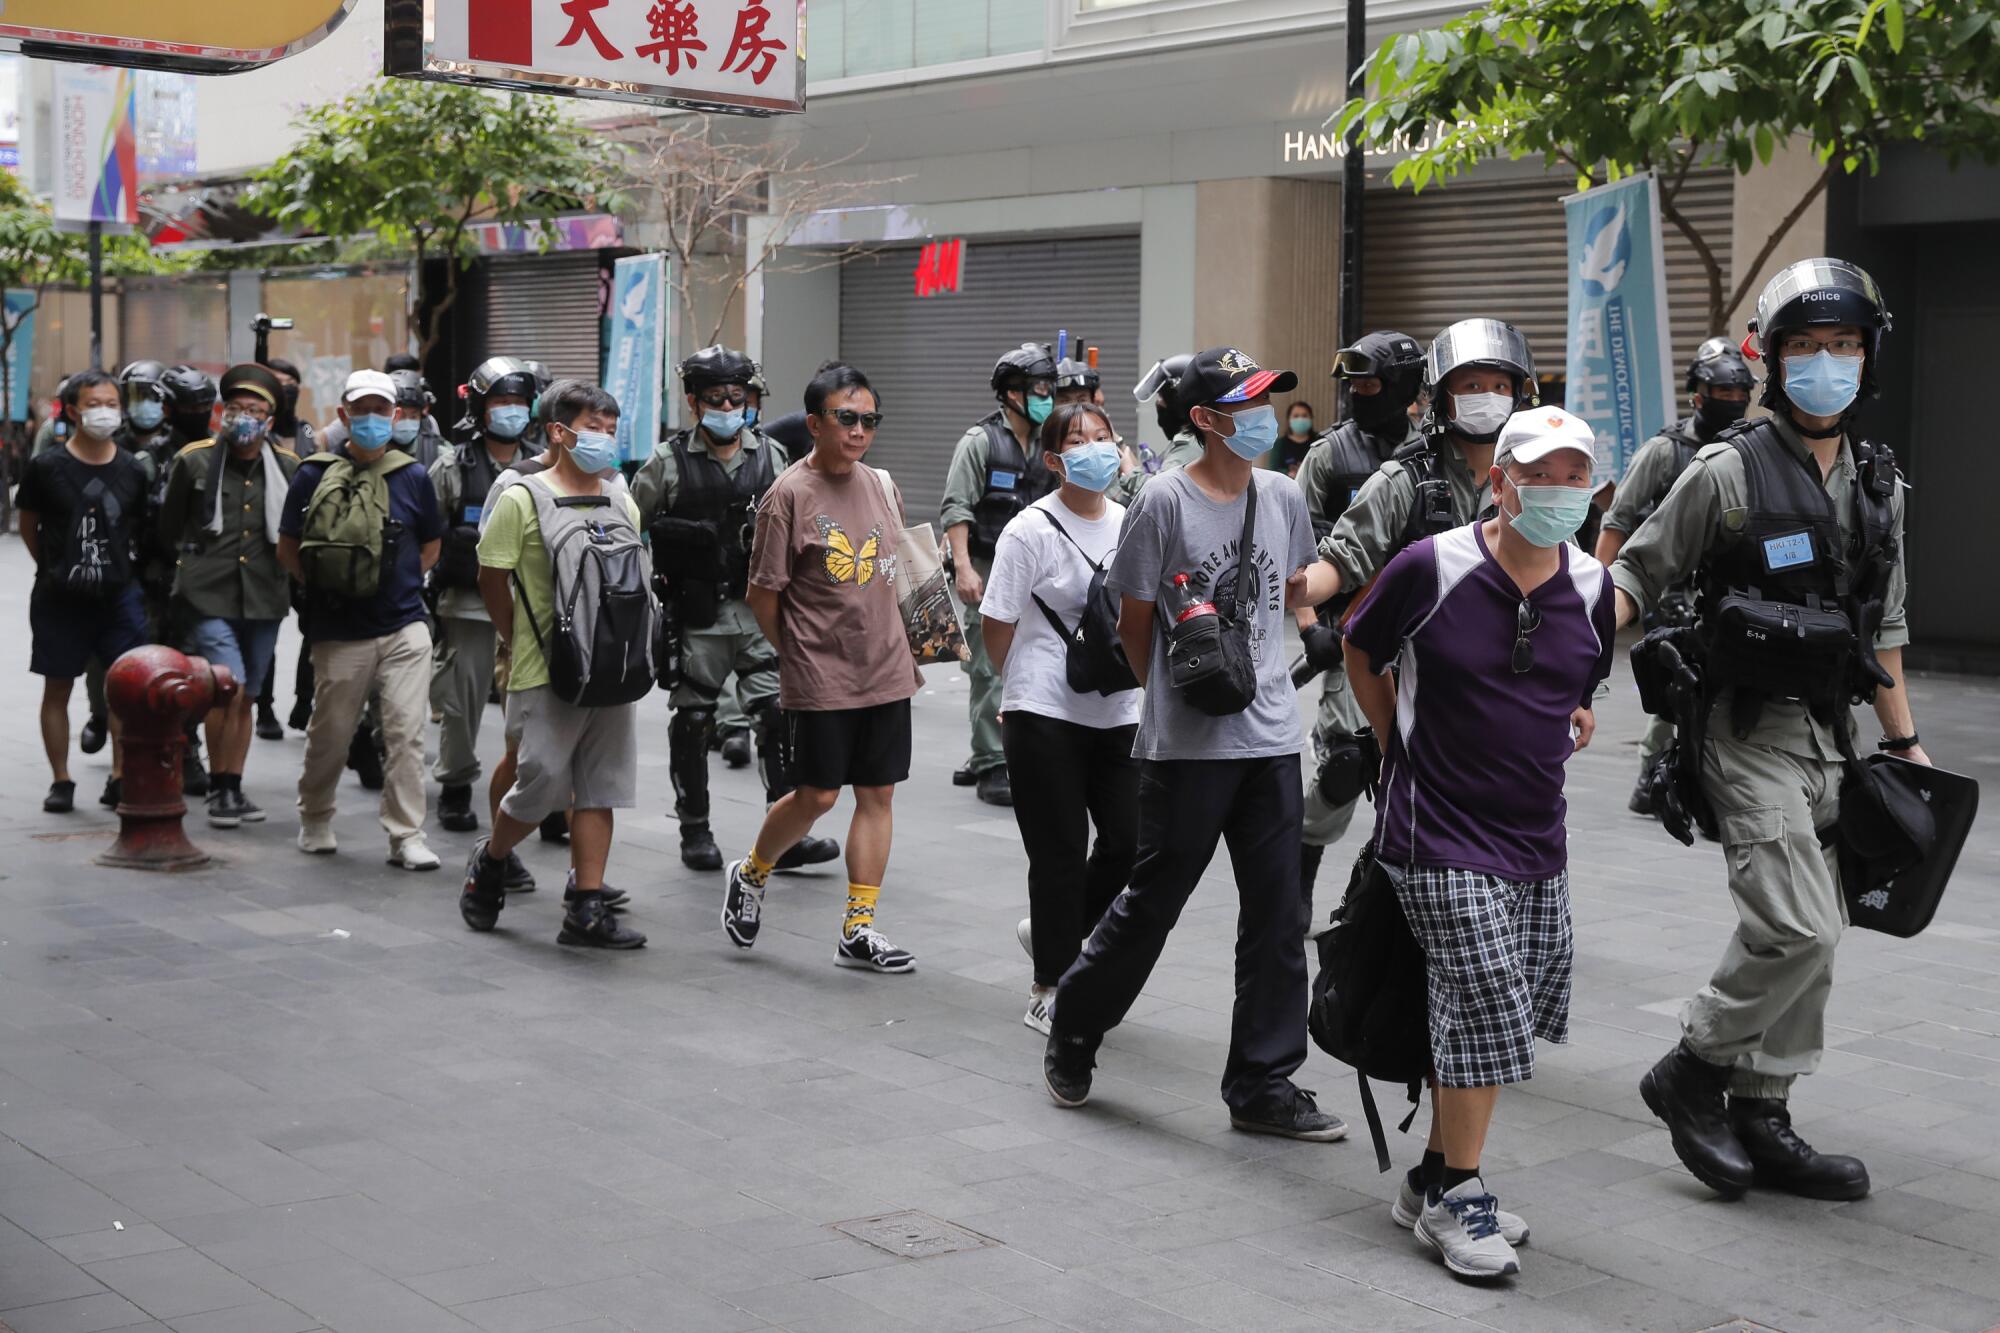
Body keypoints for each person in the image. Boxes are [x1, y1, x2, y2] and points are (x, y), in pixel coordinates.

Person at [1617, 259, 1921, 1204]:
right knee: (1794, 923)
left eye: (1841, 346)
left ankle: (1764, 1107)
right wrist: (1550, 670)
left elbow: (1889, 631)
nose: (1823, 362)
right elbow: (1635, 575)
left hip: (1833, 733)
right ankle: (1694, 1066)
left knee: (1824, 936)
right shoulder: (1726, 472)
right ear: (1771, 359)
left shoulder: (1879, 485)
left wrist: (1906, 747)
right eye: (1803, 347)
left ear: (1867, 359)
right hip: (1740, 731)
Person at [1042, 347, 1345, 1143]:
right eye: (1245, 406)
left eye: (1268, 403)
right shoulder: (1164, 502)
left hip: (1272, 736)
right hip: (1186, 748)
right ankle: (1074, 1023)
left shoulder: (1281, 495)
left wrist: (1365, 572)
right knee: (1152, 905)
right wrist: (1167, 699)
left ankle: (1263, 1082)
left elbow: (1298, 582)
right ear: (1206, 420)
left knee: (1279, 914)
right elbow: (1133, 618)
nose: (1264, 419)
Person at [1343, 405, 1613, 1280]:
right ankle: (1462, 1195)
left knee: (1506, 1000)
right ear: (1500, 481)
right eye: (1542, 474)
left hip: (1536, 832)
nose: (1561, 491)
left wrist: (1575, 714)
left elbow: (1578, 677)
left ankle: (1428, 1178)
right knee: (1487, 998)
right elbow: (1360, 647)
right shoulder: (1434, 566)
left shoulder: (1592, 584)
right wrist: (1394, 744)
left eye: (1577, 476)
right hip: (1434, 828)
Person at [722, 362, 920, 973]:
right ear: (815, 423)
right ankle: (752, 872)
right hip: (819, 674)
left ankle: (858, 928)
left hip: (886, 667)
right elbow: (763, 593)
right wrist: (800, 655)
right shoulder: (788, 495)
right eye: (847, 419)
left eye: (869, 420)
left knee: (878, 792)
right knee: (816, 795)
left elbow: (903, 565)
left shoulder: (881, 483)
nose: (860, 431)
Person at [636, 345, 840, 873]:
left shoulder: (771, 456)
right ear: (693, 403)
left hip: (759, 613)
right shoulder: (666, 463)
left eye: (737, 397)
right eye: (715, 399)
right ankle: (695, 832)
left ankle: (786, 839)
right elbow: (632, 527)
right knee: (694, 721)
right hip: (698, 616)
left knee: (777, 716)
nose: (728, 407)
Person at [458, 380, 648, 949]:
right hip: (546, 668)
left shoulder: (621, 496)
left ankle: (585, 908)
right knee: (539, 784)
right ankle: (491, 858)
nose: (604, 441)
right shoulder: (521, 496)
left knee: (600, 789)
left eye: (611, 430)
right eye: (594, 429)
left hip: (612, 667)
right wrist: (517, 638)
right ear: (560, 433)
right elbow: (491, 576)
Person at [981, 402, 1142, 1035]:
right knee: (1058, 852)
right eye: (1079, 441)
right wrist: (1019, 686)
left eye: (1104, 439)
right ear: (1054, 460)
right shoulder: (1030, 529)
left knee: (1129, 845)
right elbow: (999, 623)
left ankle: (1062, 928)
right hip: (1044, 709)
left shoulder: (1131, 523)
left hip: (1119, 709)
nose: (1096, 450)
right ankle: (1049, 982)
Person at [277, 369, 446, 870]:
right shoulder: (312, 473)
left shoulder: (413, 475)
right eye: (362, 409)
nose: (372, 419)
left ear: (395, 415)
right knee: (331, 733)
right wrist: (334, 585)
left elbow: (432, 545)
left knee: (406, 733)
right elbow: (288, 548)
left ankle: (406, 834)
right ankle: (315, 816)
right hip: (338, 631)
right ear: (342, 414)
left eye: (381, 409)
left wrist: (389, 582)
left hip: (403, 626)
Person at [1290, 331, 1428, 923]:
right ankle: (1300, 858)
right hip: (1354, 632)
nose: (1357, 395)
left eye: (1369, 383)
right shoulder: (1328, 455)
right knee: (1348, 763)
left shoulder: (1438, 454)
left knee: (1425, 766)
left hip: (1433, 639)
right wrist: (1307, 627)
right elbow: (1295, 547)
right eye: (1351, 385)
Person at [1596, 337, 1756, 817]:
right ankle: (1653, 771)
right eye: (1718, 392)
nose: (1729, 402)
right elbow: (1619, 518)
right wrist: (1596, 595)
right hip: (1671, 590)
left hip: (1733, 590)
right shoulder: (1665, 451)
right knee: (1682, 683)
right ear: (1697, 394)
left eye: (1737, 394)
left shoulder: (1751, 449)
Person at [157, 364, 302, 828]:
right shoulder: (194, 460)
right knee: (228, 688)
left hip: (264, 593)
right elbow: (169, 526)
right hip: (206, 593)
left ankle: (233, 785)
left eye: (255, 410)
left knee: (248, 694)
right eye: (236, 408)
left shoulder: (289, 468)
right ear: (222, 413)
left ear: (270, 419)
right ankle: (221, 789)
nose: (244, 417)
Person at [18, 370, 150, 813]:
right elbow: (30, 527)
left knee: (123, 690)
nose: (105, 412)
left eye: (112, 403)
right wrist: (57, 570)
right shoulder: (47, 466)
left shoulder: (133, 468)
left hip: (119, 597)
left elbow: (139, 529)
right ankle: (61, 779)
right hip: (59, 599)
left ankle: (119, 776)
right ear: (73, 410)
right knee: (57, 688)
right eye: (95, 403)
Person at [940, 343, 1062, 807]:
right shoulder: (980, 442)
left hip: (1040, 568)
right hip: (989, 565)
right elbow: (956, 508)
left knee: (1038, 661)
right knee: (989, 667)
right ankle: (991, 762)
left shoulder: (1051, 441)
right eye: (1038, 389)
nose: (1047, 397)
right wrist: (964, 567)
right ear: (1011, 393)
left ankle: (1017, 753)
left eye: (1050, 389)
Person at [428, 357, 542, 835]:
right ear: (480, 407)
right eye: (501, 402)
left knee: (536, 708)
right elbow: (429, 535)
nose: (510, 411)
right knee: (461, 702)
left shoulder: (544, 463)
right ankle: (456, 784)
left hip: (533, 608)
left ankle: (542, 792)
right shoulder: (453, 465)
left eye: (518, 402)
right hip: (469, 606)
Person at [1111, 354, 1200, 505]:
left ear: (1177, 403)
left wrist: (1129, 473)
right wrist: (1118, 441)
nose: (1159, 404)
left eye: (1161, 398)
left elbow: (1160, 493)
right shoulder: (1191, 440)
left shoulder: (1191, 445)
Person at [1273, 401, 1316, 476]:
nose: (1300, 419)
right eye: (1296, 416)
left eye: (1304, 415)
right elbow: (1272, 470)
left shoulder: (1319, 441)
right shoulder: (1280, 444)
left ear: (1311, 418)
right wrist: (1288, 473)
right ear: (1289, 420)